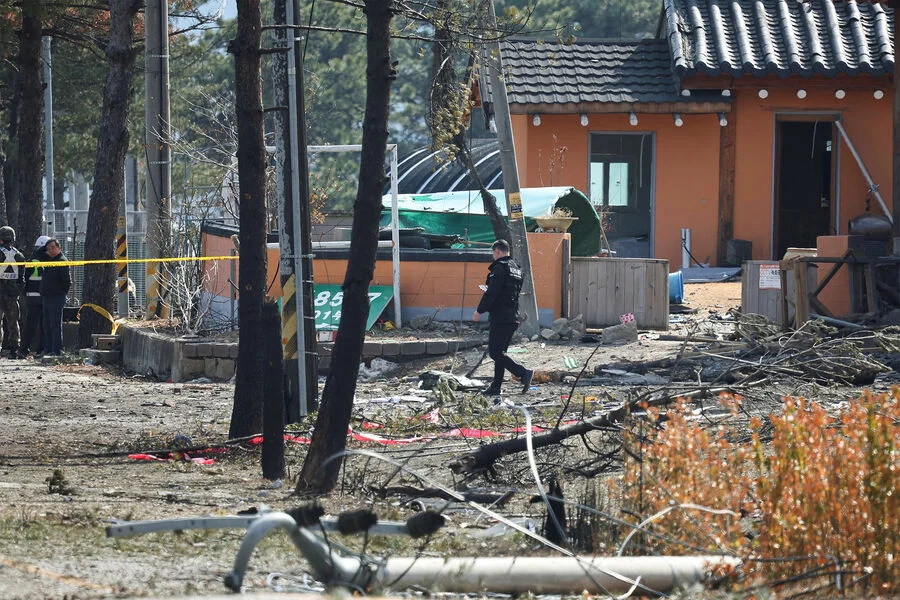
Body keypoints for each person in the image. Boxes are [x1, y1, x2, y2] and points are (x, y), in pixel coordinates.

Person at [473, 239, 533, 395]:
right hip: (513, 316)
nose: (493, 256)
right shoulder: (516, 269)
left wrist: (479, 311)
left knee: (495, 353)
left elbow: (492, 293)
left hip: (500, 316)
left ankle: (522, 373)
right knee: (500, 353)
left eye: (493, 253)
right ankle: (496, 387)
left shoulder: (499, 268)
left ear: (497, 252)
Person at [20, 235, 50, 357]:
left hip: (32, 297)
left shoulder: (31, 261)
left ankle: (23, 349)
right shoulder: (50, 261)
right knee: (44, 325)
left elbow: (24, 279)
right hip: (45, 297)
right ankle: (41, 349)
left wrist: (25, 293)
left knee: (30, 325)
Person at [40, 238, 70, 357]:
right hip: (46, 296)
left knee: (55, 325)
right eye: (48, 248)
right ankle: (47, 349)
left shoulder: (62, 261)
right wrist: (45, 248)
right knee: (46, 325)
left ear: (59, 248)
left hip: (57, 297)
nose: (50, 250)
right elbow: (37, 254)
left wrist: (61, 293)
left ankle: (56, 350)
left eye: (53, 247)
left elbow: (67, 282)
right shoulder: (48, 259)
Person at [0, 226, 26, 359]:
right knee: (13, 323)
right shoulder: (19, 255)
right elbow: (22, 278)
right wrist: (16, 291)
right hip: (12, 294)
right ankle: (14, 350)